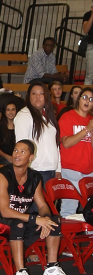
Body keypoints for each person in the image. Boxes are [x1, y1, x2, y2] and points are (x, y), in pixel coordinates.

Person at [0, 139, 79, 275]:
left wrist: (46, 220)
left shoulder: (35, 177)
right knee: (19, 225)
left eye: (23, 152)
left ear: (31, 157)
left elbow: (42, 205)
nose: (17, 155)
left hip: (17, 216)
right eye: (16, 150)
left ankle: (51, 270)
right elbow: (4, 211)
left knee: (54, 221)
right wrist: (36, 220)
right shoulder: (1, 175)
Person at [14, 82, 61, 186]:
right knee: (37, 202)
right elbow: (21, 145)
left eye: (41, 93)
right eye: (34, 93)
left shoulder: (48, 117)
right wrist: (24, 171)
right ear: (28, 96)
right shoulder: (24, 115)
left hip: (51, 170)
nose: (38, 97)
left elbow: (55, 144)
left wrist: (58, 168)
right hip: (35, 170)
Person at [59, 87, 93, 216]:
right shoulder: (68, 117)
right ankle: (66, 236)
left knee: (91, 210)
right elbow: (66, 143)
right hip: (71, 170)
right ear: (78, 100)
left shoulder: (91, 120)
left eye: (91, 99)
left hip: (89, 170)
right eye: (84, 97)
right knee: (69, 209)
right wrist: (86, 130)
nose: (87, 101)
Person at [82, 1, 93, 85]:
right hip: (91, 46)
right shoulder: (87, 15)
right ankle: (86, 95)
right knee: (90, 74)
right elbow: (86, 30)